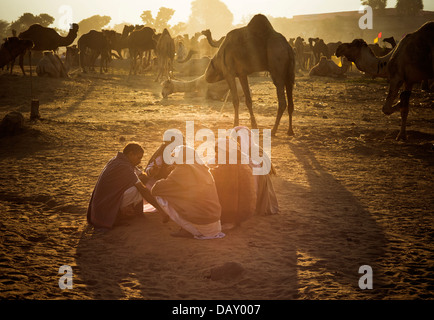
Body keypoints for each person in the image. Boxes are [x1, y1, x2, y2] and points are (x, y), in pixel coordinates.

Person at [149, 145, 225, 239]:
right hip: (215, 225)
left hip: (202, 227)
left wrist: (169, 175)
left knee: (160, 195)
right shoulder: (204, 169)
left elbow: (156, 189)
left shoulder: (182, 169)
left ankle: (186, 230)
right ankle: (187, 227)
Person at [87, 142, 166, 230]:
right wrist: (161, 210)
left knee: (139, 186)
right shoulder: (123, 166)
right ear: (131, 154)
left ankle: (124, 213)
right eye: (139, 158)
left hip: (100, 207)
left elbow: (141, 177)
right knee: (138, 190)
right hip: (103, 209)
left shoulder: (119, 160)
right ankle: (120, 215)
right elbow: (142, 189)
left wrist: (152, 172)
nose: (140, 161)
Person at [209, 137, 257, 230]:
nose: (216, 154)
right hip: (243, 209)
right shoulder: (239, 163)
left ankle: (229, 221)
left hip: (236, 208)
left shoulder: (232, 167)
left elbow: (221, 178)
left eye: (219, 151)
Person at [232, 126, 279, 215]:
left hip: (258, 177)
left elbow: (262, 162)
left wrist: (249, 162)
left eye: (250, 136)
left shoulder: (256, 149)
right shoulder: (237, 148)